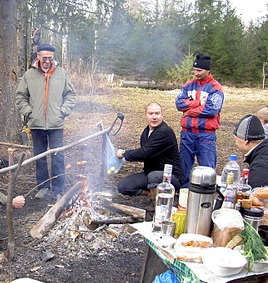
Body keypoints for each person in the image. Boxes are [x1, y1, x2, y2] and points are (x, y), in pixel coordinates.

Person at [15, 43, 77, 199]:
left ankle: (58, 188)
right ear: (38, 57)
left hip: (56, 124)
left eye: (50, 58)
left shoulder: (61, 74)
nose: (48, 61)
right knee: (39, 156)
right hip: (36, 124)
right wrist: (29, 113)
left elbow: (71, 94)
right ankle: (43, 187)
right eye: (45, 58)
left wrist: (63, 111)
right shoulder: (29, 75)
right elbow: (20, 96)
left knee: (57, 155)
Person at [175, 54, 224, 188]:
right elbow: (179, 104)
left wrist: (189, 111)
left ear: (208, 70)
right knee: (184, 166)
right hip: (187, 133)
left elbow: (212, 110)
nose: (196, 73)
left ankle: (205, 194)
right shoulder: (188, 85)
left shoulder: (216, 88)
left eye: (199, 71)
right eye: (194, 70)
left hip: (206, 134)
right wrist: (199, 102)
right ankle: (184, 193)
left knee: (207, 169)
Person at [115, 103, 182, 200]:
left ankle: (158, 204)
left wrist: (124, 153)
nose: (154, 117)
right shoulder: (146, 132)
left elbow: (144, 153)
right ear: (145, 116)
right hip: (150, 174)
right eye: (151, 114)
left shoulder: (164, 132)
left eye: (157, 114)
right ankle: (154, 194)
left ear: (162, 115)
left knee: (154, 176)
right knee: (124, 186)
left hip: (170, 177)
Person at [233, 115, 268, 188]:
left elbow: (257, 196)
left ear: (246, 141)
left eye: (236, 140)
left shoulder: (259, 168)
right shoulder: (263, 150)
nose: (235, 143)